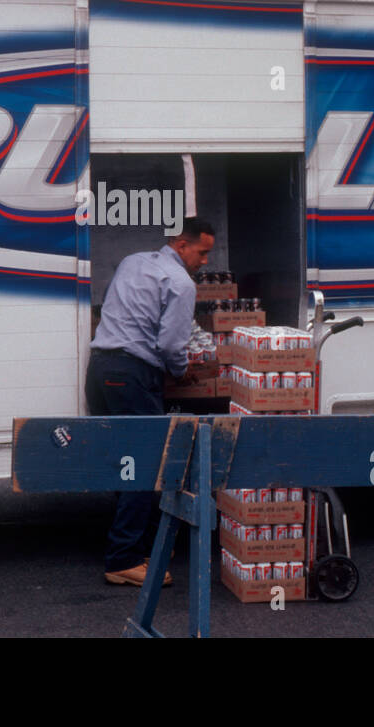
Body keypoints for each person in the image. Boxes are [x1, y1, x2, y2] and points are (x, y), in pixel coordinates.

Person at [87, 216, 215, 586]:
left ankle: (141, 544)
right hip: (132, 374)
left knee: (123, 462)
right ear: (181, 245)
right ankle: (123, 559)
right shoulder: (180, 283)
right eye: (202, 252)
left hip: (100, 372)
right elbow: (172, 345)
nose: (204, 261)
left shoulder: (132, 261)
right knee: (148, 465)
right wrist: (181, 370)